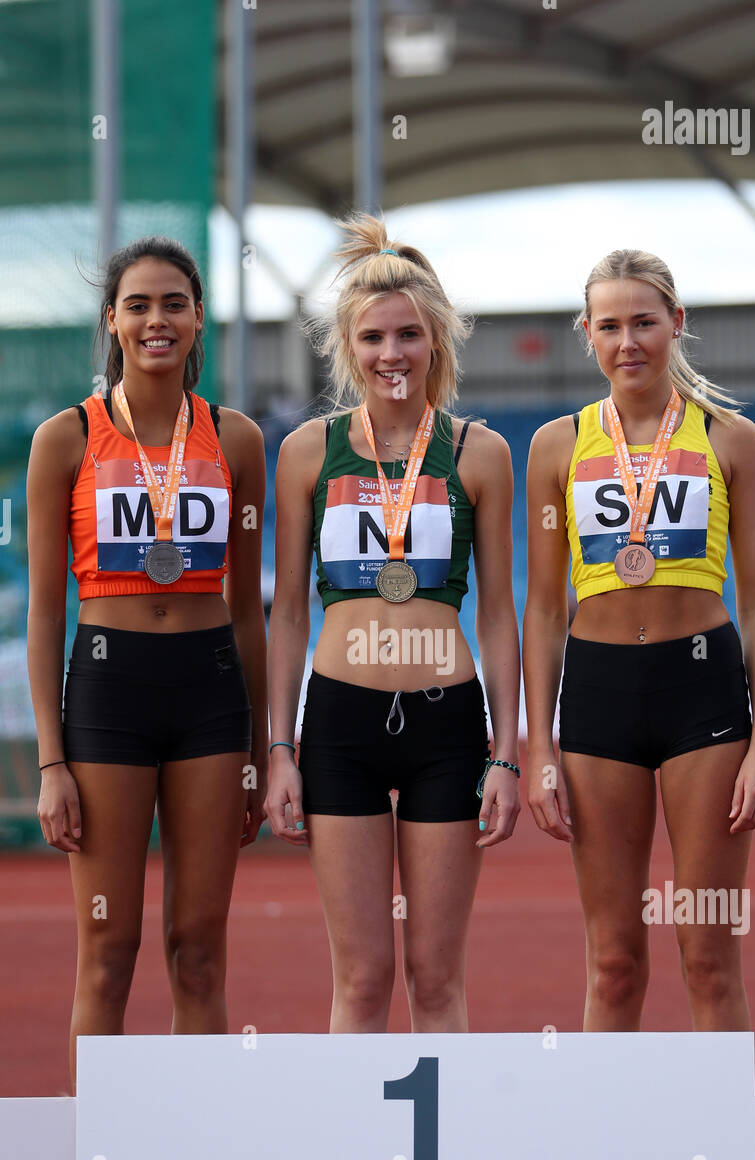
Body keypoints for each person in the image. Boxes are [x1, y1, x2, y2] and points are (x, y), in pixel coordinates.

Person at [266, 213, 520, 1033]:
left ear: (437, 341)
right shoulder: (309, 450)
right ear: (348, 345)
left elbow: (500, 614)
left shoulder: (481, 453)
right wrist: (279, 750)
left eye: (410, 334)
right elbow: (290, 614)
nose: (392, 354)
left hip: (449, 723)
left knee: (436, 977)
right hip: (340, 720)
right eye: (373, 337)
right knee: (364, 977)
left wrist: (508, 754)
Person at [26, 236, 267, 1086]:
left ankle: (197, 1158)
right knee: (108, 949)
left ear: (198, 318)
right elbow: (46, 612)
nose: (156, 320)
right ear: (112, 321)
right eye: (138, 305)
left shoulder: (235, 440)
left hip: (210, 695)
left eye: (173, 303)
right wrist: (52, 762)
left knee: (198, 950)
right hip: (105, 691)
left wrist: (259, 750)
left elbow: (249, 615)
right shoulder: (67, 438)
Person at [524, 248, 755, 1031]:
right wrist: (539, 747)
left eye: (644, 322)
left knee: (706, 951)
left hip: (701, 689)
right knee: (613, 960)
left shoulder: (731, 439)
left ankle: (720, 1144)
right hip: (599, 696)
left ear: (677, 323)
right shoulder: (556, 445)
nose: (628, 341)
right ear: (587, 333)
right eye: (609, 326)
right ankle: (610, 1147)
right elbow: (541, 608)